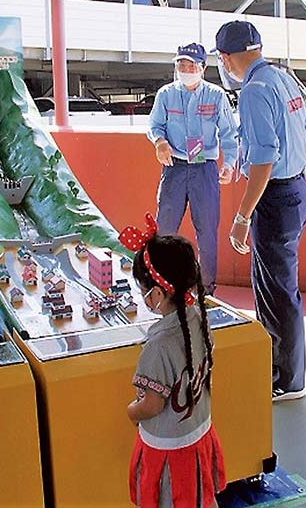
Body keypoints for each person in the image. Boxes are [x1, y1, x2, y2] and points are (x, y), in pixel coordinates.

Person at [213, 21, 306, 402]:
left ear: (226, 58)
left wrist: (242, 218)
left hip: (275, 198)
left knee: (276, 291)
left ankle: (287, 380)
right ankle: (284, 370)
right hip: (297, 190)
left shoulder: (255, 90)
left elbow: (263, 159)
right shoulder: (283, 78)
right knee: (280, 286)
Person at [122, 215, 225, 508]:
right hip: (198, 432)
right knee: (198, 496)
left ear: (156, 294)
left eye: (143, 291)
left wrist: (131, 412)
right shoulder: (199, 318)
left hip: (168, 448)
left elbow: (152, 405)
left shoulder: (158, 347)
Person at [146, 42, 239, 295]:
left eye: (191, 65)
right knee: (164, 229)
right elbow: (154, 126)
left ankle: (206, 289)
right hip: (174, 167)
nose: (186, 69)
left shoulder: (216, 95)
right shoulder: (166, 94)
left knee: (207, 231)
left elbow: (230, 135)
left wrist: (229, 164)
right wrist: (160, 141)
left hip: (204, 169)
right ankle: (161, 283)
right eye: (181, 65)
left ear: (203, 67)